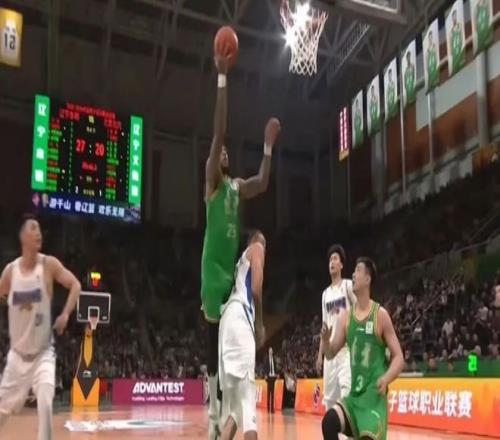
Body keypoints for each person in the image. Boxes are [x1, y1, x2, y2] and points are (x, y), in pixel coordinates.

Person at [201, 49, 281, 438]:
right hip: (211, 269)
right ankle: (214, 407)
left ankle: (224, 415)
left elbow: (262, 183)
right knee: (212, 337)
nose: (223, 151)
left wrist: (267, 147)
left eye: (226, 151)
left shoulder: (236, 186)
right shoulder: (213, 183)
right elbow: (219, 132)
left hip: (229, 274)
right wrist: (222, 77)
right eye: (219, 151)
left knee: (225, 339)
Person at [0, 214, 81, 440]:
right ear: (22, 236)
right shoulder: (11, 272)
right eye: (33, 228)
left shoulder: (48, 265)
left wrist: (65, 314)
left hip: (43, 355)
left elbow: (75, 285)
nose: (38, 233)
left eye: (39, 229)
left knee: (45, 404)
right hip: (17, 357)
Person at [321, 257, 404, 440]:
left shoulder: (380, 315)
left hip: (373, 399)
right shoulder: (346, 317)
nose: (353, 274)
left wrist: (386, 378)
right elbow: (331, 353)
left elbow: (399, 357)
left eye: (358, 270)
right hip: (354, 398)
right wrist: (326, 341)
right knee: (329, 422)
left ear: (368, 279)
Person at [219, 231, 267, 440]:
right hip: (240, 319)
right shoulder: (257, 247)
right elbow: (256, 289)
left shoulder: (239, 264)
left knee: (236, 411)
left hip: (226, 324)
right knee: (248, 405)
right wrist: (260, 324)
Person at [316, 244, 355, 411]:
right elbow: (324, 326)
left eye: (335, 259)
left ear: (341, 265)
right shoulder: (325, 294)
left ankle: (348, 427)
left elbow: (360, 310)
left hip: (345, 350)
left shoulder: (347, 286)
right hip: (329, 354)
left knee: (346, 394)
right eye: (330, 260)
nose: (332, 262)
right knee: (330, 401)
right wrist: (320, 354)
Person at [264, 347, 277, 414]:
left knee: (272, 394)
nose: (271, 352)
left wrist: (276, 374)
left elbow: (275, 367)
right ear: (268, 352)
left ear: (272, 352)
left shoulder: (274, 359)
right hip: (268, 378)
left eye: (272, 351)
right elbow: (264, 368)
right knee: (269, 393)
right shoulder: (266, 359)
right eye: (270, 351)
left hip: (273, 377)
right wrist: (265, 375)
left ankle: (272, 409)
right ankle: (268, 408)